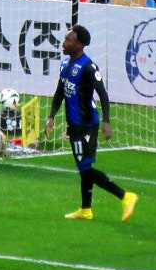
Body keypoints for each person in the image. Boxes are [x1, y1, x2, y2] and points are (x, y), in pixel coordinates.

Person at [44, 25, 138, 222]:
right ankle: (86, 209)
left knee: (85, 168)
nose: (64, 42)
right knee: (83, 167)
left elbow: (103, 94)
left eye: (68, 39)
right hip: (74, 125)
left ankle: (125, 196)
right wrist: (51, 116)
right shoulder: (65, 65)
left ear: (78, 44)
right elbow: (60, 92)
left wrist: (106, 121)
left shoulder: (88, 67)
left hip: (87, 125)